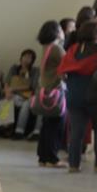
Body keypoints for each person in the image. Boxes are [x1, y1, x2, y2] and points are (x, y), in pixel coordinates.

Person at [58, 18, 97, 173]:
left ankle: (74, 165)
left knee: (76, 132)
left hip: (75, 96)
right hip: (96, 96)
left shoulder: (73, 50)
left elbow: (62, 73)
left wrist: (74, 81)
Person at [34, 20, 67, 168]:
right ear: (56, 32)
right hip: (55, 91)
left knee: (47, 126)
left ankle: (43, 157)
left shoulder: (45, 48)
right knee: (56, 126)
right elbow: (68, 65)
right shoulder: (56, 49)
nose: (63, 32)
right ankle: (52, 158)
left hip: (45, 90)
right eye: (60, 29)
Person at [7, 48, 38, 138]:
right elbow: (7, 82)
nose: (26, 59)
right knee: (5, 101)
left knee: (25, 105)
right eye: (25, 57)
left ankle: (19, 131)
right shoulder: (14, 68)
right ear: (21, 57)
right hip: (13, 95)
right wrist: (7, 92)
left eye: (29, 58)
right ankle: (6, 129)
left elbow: (32, 86)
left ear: (32, 60)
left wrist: (14, 88)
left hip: (27, 96)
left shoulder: (35, 70)